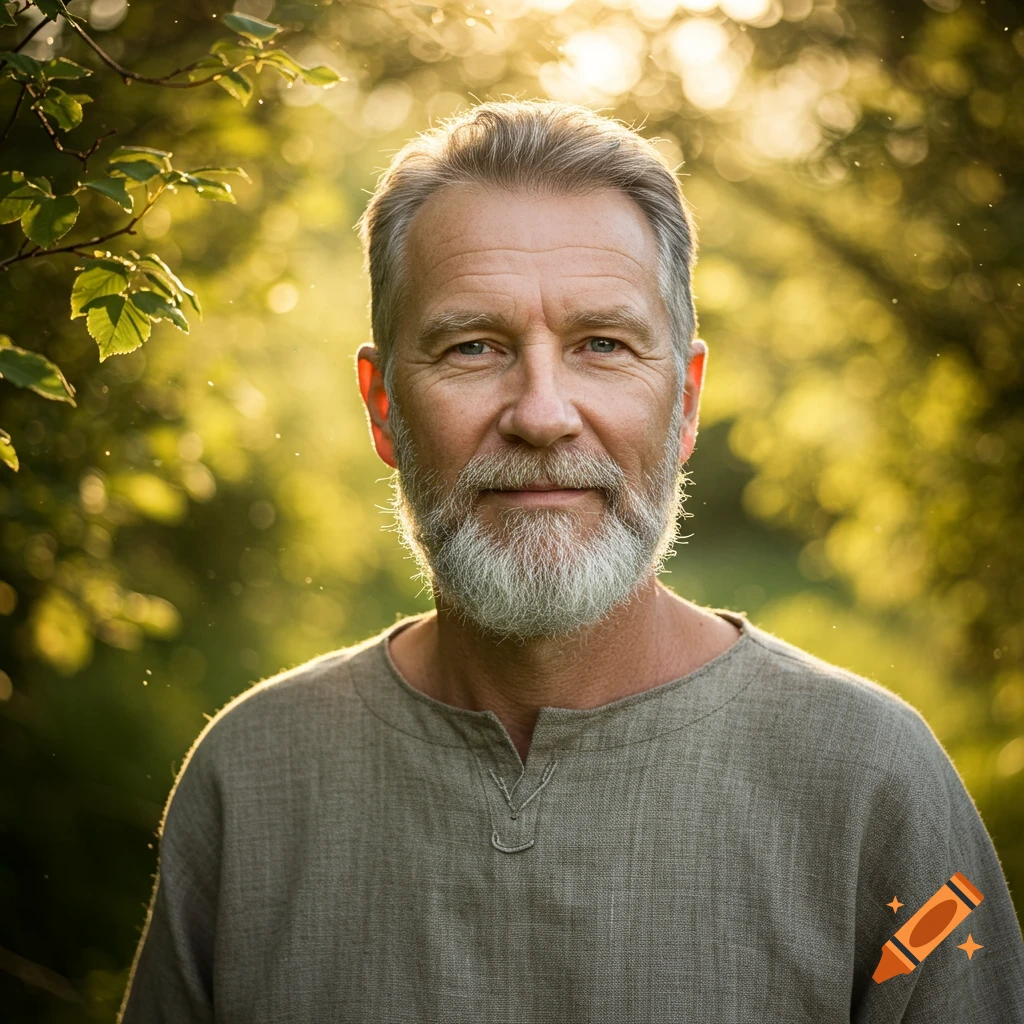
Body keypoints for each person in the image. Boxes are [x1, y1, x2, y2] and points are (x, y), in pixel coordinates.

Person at [118, 98, 1024, 1023]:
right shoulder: (251, 780)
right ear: (383, 404)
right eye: (474, 346)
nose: (542, 413)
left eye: (603, 345)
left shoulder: (875, 784)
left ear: (685, 404)